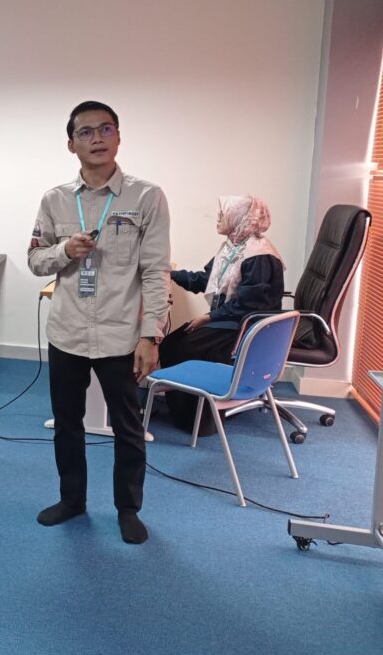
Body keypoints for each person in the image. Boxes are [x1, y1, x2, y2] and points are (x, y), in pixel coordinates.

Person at [28, 100, 170, 545]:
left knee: (127, 428)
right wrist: (63, 252)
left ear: (119, 136)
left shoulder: (146, 197)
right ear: (71, 144)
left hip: (120, 334)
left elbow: (156, 271)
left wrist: (150, 336)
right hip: (67, 331)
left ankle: (128, 509)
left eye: (106, 129)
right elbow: (35, 260)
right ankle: (72, 500)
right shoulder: (54, 199)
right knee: (67, 423)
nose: (97, 139)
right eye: (85, 132)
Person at [160, 195, 284, 435]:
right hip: (232, 319)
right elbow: (204, 281)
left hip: (247, 326)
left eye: (223, 213)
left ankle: (198, 421)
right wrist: (170, 274)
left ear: (240, 218)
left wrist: (209, 318)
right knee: (175, 343)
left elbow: (249, 306)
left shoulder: (258, 255)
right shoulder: (233, 247)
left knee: (180, 346)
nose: (217, 217)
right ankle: (188, 411)